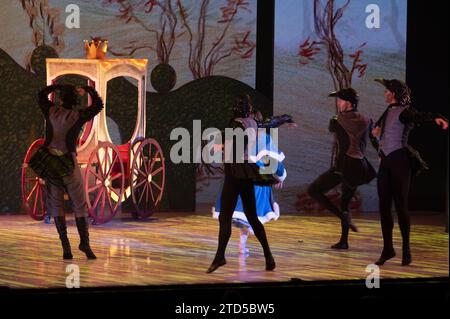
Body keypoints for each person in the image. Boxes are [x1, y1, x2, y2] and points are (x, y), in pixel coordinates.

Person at [372, 78, 448, 266]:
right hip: (386, 162)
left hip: (399, 161)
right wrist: (377, 135)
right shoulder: (388, 110)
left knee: (400, 206)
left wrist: (436, 117)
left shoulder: (405, 111)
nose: (384, 93)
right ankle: (388, 249)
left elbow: (419, 116)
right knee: (384, 207)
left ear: (394, 93)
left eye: (387, 90)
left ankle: (406, 250)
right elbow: (377, 131)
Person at [32, 84, 103, 259]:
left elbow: (41, 94)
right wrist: (89, 91)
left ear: (61, 99)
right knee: (79, 204)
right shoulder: (78, 116)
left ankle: (66, 248)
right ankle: (84, 243)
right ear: (75, 101)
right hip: (68, 163)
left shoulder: (50, 110)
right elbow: (98, 105)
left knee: (56, 205)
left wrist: (56, 86)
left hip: (50, 163)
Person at [207, 95, 276, 273]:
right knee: (252, 217)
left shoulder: (238, 123)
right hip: (245, 170)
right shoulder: (251, 122)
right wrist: (285, 119)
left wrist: (220, 146)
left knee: (225, 217)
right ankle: (268, 257)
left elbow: (236, 144)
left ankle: (220, 257)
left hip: (236, 170)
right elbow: (268, 123)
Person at [307, 88, 377, 249]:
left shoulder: (337, 120)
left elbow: (333, 129)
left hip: (345, 164)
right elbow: (373, 139)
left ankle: (342, 220)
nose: (338, 103)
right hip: (359, 166)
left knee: (314, 190)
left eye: (340, 100)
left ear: (350, 103)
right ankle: (344, 240)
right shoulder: (367, 120)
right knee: (345, 202)